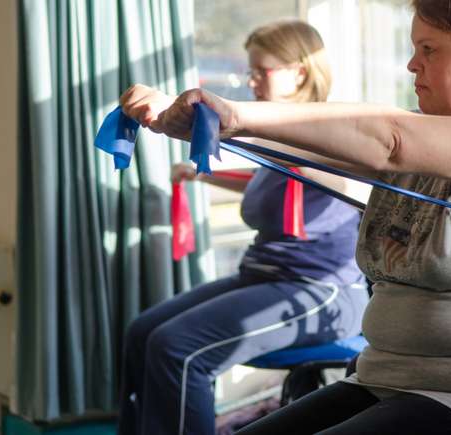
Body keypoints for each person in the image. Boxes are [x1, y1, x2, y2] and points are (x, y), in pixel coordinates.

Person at [122, 1, 451, 433]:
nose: (412, 63)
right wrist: (206, 126)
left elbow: (389, 139)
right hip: (393, 381)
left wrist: (234, 114)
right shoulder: (438, 141)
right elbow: (308, 148)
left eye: (429, 49)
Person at [117, 19, 369, 435]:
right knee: (141, 332)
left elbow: (307, 164)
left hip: (321, 289)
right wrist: (200, 176)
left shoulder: (327, 131)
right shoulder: (280, 140)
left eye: (261, 71)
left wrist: (200, 119)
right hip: (264, 275)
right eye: (249, 71)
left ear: (299, 72)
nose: (251, 81)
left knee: (177, 348)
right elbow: (270, 182)